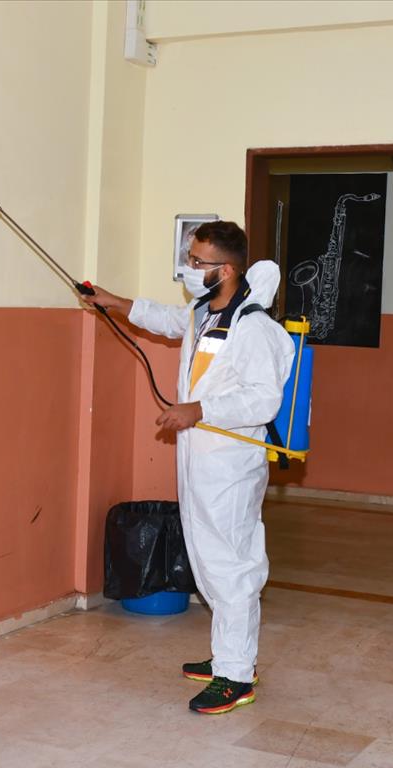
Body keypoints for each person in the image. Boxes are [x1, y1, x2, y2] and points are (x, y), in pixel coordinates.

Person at [84, 221, 294, 714]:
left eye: (197, 263)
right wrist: (115, 302)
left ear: (224, 269)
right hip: (200, 458)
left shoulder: (255, 327)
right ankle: (230, 656)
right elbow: (168, 321)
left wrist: (197, 410)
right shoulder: (204, 312)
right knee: (206, 555)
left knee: (232, 565)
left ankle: (236, 677)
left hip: (231, 463)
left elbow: (263, 399)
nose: (189, 269)